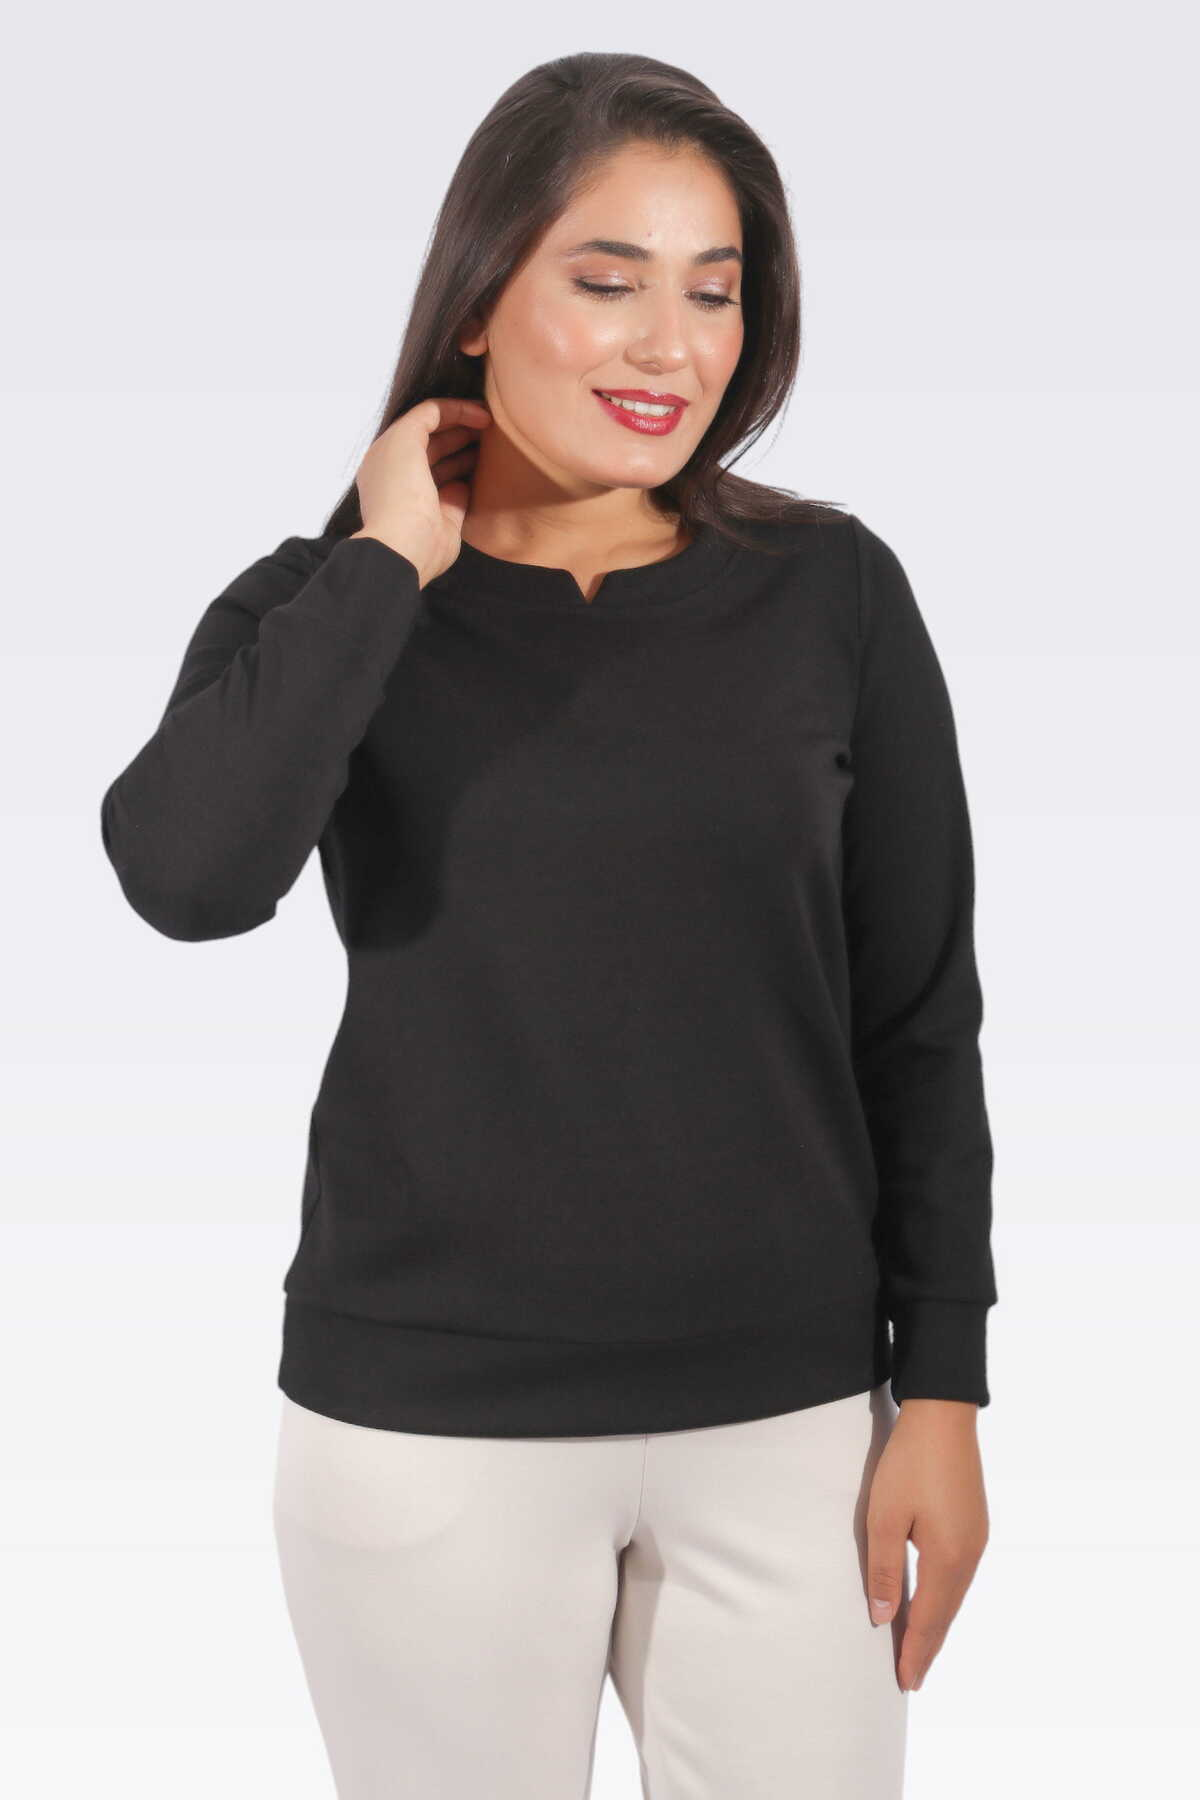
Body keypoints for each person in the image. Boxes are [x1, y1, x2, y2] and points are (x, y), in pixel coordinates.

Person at [99, 49, 998, 1800]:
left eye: (714, 292)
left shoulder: (831, 595)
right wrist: (385, 565)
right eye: (608, 281)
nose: (672, 346)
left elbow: (919, 1015)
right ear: (477, 299)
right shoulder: (324, 608)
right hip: (426, 1429)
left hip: (791, 1425)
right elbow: (188, 881)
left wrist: (946, 1389)